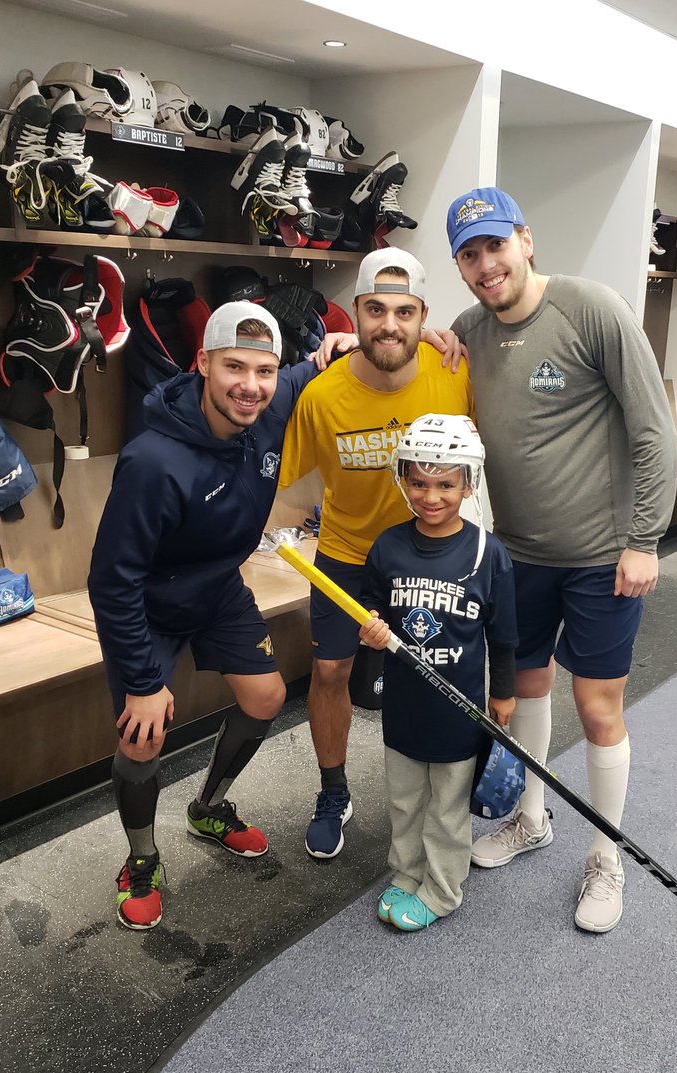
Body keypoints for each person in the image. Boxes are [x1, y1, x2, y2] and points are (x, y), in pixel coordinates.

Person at [445, 187, 677, 933]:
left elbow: (653, 431)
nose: (486, 266)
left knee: (598, 705)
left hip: (603, 557)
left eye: (495, 246)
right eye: (469, 255)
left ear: (526, 240)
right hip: (518, 556)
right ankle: (532, 816)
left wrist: (644, 538)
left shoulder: (591, 308)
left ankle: (605, 856)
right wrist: (350, 344)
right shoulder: (466, 332)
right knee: (526, 690)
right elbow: (410, 363)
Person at [88, 301, 356, 930]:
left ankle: (208, 808)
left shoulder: (269, 406)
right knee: (141, 733)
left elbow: (314, 364)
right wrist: (142, 683)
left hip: (216, 589)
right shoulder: (153, 461)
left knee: (265, 697)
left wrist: (342, 343)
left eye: (264, 370)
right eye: (235, 367)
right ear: (203, 363)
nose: (251, 385)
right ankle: (141, 858)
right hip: (147, 606)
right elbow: (111, 578)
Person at [277, 248, 472, 861]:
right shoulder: (322, 394)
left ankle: (439, 792)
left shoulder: (453, 376)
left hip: (425, 556)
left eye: (405, 311)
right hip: (347, 553)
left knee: (430, 673)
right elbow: (287, 487)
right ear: (355, 315)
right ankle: (333, 790)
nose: (390, 324)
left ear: (423, 318)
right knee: (331, 672)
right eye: (376, 309)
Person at [357, 414, 517, 930]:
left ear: (468, 483)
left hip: (459, 710)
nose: (431, 496)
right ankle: (406, 873)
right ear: (402, 478)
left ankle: (443, 890)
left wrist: (505, 693)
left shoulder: (486, 554)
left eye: (446, 484)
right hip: (404, 707)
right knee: (405, 801)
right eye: (419, 483)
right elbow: (369, 608)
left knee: (447, 807)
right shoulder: (388, 546)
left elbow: (504, 634)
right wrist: (372, 627)